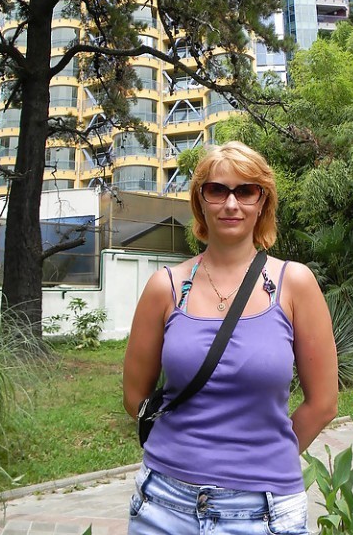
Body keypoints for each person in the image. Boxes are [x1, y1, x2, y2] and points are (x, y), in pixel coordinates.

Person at [123, 141, 338, 535]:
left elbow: (323, 404)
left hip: (265, 510)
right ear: (200, 201)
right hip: (165, 504)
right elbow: (135, 396)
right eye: (217, 190)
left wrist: (262, 460)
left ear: (262, 201)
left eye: (246, 191)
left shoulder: (294, 284)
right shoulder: (165, 287)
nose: (231, 204)